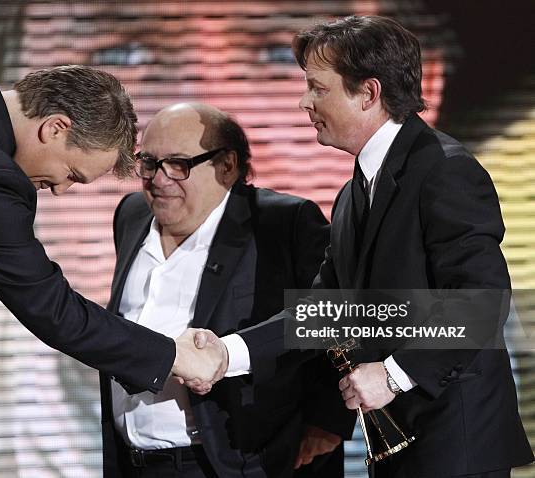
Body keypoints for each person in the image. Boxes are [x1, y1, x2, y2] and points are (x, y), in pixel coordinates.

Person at [204, 15, 533, 478]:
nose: (304, 102)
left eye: (318, 88)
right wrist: (228, 352)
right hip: (400, 443)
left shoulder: (445, 170)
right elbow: (325, 309)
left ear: (368, 93)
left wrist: (393, 374)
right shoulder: (353, 192)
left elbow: (481, 301)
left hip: (453, 446)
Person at [0, 66, 226, 413]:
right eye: (71, 174)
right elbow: (49, 306)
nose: (59, 190)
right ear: (55, 128)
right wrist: (174, 355)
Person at [99, 102, 355, 477]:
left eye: (179, 164)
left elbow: (334, 316)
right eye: (149, 162)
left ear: (227, 166)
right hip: (135, 462)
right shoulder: (131, 214)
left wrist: (329, 421)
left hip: (242, 462)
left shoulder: (282, 223)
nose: (158, 178)